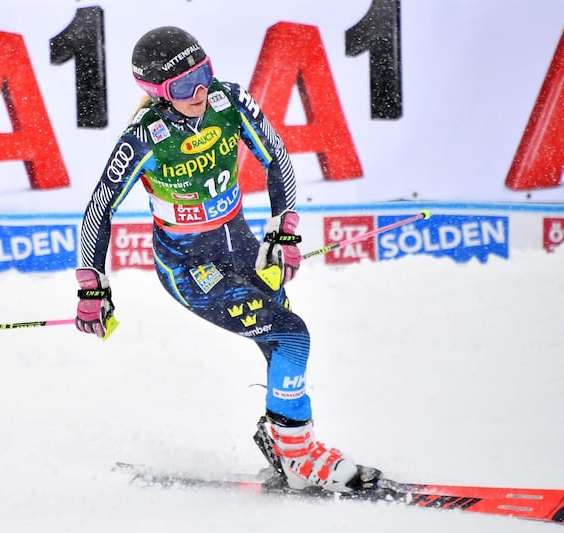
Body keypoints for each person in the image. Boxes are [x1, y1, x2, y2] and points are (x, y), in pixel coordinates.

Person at [75, 26, 366, 493]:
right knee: (293, 336)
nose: (199, 91)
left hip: (244, 250)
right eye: (183, 86)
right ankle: (299, 457)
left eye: (204, 74)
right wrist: (92, 286)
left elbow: (277, 158)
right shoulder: (144, 138)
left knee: (280, 342)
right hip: (191, 270)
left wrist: (282, 228)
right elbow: (98, 208)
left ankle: (284, 443)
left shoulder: (228, 102)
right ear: (156, 92)